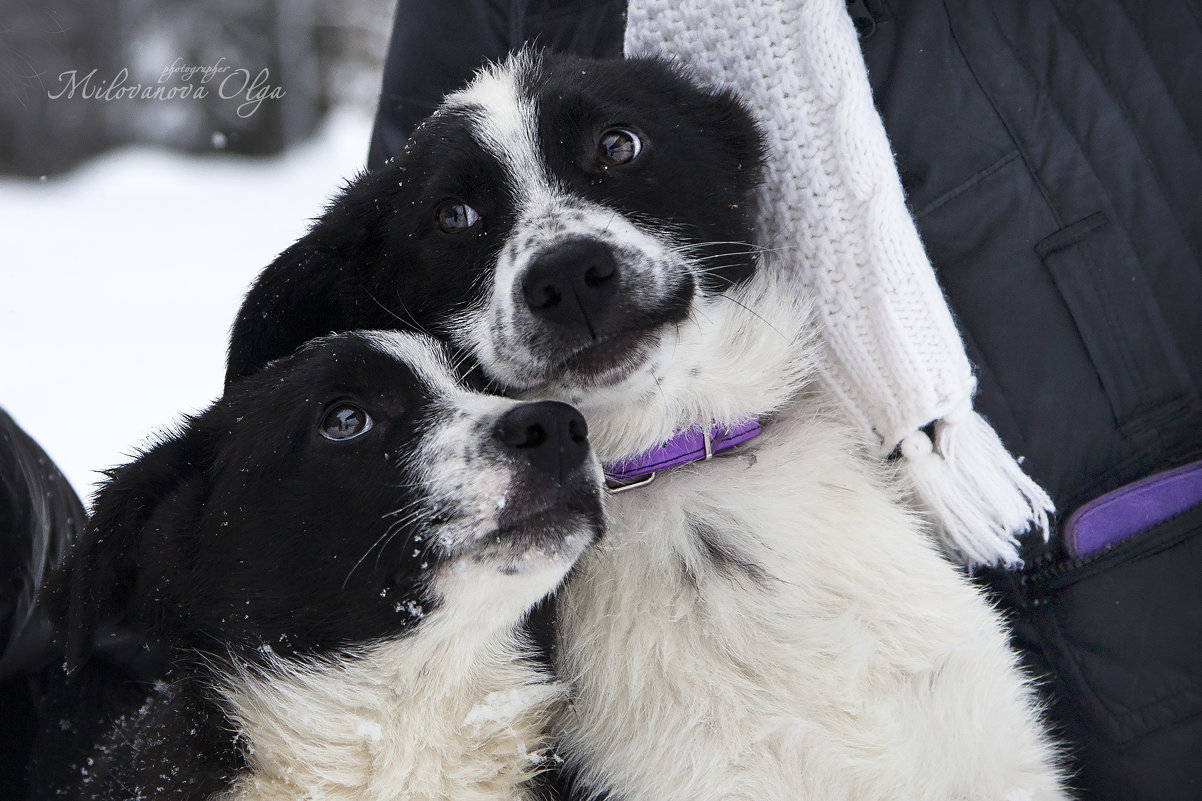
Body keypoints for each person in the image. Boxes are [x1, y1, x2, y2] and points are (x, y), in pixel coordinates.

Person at [366, 2, 1202, 799]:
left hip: (1091, 472)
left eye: (614, 151)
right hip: (613, 552)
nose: (562, 263)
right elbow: (392, 230)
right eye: (459, 217)